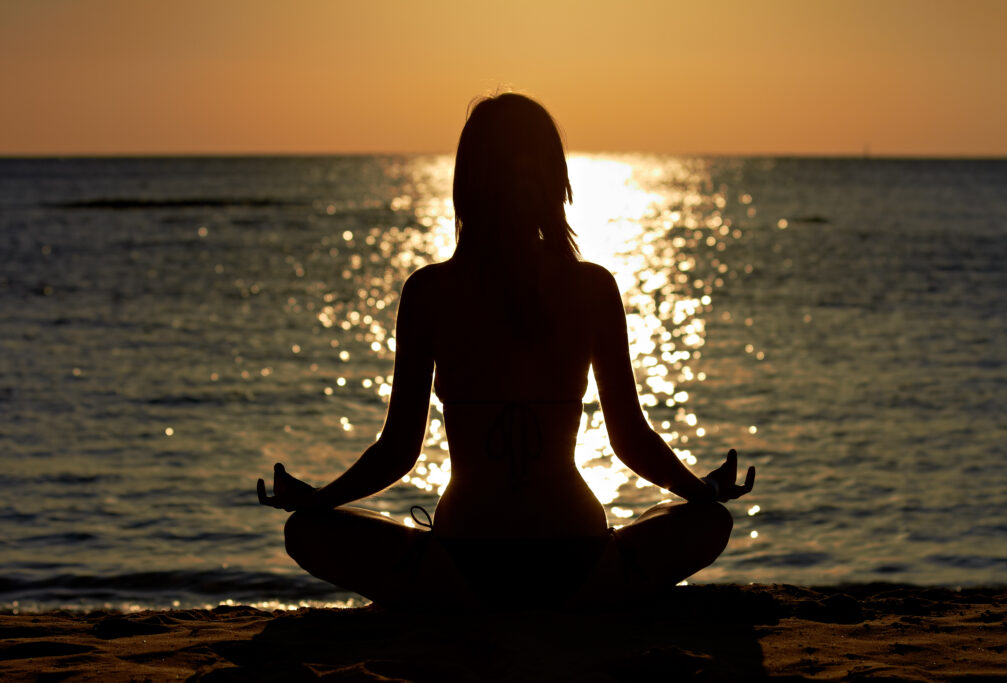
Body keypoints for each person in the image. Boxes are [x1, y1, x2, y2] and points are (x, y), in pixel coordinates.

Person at [257, 92, 755, 609]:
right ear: (555, 181)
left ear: (467, 183)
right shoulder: (592, 287)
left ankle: (454, 604)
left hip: (462, 566)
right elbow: (629, 439)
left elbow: (398, 452)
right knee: (708, 523)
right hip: (579, 562)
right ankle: (587, 600)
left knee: (306, 532)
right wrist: (704, 492)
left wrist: (319, 501)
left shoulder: (430, 291)